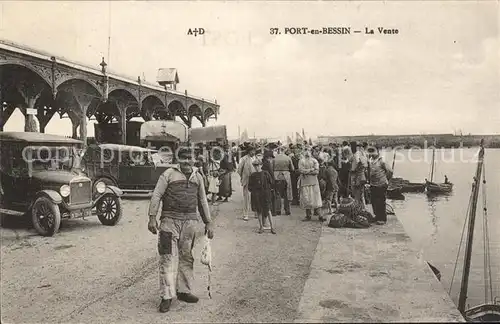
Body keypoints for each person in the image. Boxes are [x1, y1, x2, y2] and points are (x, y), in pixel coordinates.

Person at [147, 149, 214, 313]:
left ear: (193, 159)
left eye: (189, 158)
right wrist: (152, 217)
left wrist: (209, 222)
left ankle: (183, 291)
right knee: (167, 258)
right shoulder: (168, 174)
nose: (186, 162)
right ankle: (166, 296)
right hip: (169, 223)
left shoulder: (198, 177)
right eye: (183, 159)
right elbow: (156, 195)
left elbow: (203, 201)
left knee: (186, 257)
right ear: (178, 159)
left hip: (189, 223)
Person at [248, 159, 276, 234]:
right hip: (257, 194)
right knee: (259, 210)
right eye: (255, 166)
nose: (257, 167)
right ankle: (261, 227)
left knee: (268, 210)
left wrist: (268, 190)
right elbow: (249, 187)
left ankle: (272, 227)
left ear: (261, 165)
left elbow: (271, 182)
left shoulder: (266, 173)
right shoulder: (252, 175)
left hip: (266, 194)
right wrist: (254, 192)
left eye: (258, 165)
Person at [366, 146, 393, 225]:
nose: (372, 154)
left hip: (381, 184)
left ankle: (382, 218)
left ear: (378, 152)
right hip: (373, 184)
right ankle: (377, 216)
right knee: (374, 201)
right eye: (370, 152)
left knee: (381, 201)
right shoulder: (371, 160)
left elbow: (390, 171)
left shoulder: (382, 161)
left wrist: (386, 179)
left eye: (373, 152)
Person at [298, 147, 323, 221]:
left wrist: (306, 171)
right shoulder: (301, 161)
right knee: (306, 199)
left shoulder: (314, 160)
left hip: (313, 182)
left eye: (308, 150)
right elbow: (301, 170)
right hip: (305, 182)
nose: (307, 152)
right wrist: (311, 170)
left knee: (316, 199)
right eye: (306, 150)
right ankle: (308, 215)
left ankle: (320, 215)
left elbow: (317, 172)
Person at [273, 145, 294, 215]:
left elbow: (272, 167)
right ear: (284, 150)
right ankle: (287, 210)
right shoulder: (288, 158)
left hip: (276, 176)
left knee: (277, 193)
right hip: (286, 176)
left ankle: (278, 210)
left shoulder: (275, 158)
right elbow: (292, 168)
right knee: (286, 193)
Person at [237, 147, 256, 221]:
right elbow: (239, 170)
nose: (253, 152)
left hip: (255, 180)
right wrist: (243, 177)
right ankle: (246, 214)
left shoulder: (256, 158)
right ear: (249, 151)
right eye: (252, 151)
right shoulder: (244, 159)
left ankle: (256, 213)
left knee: (255, 196)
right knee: (246, 198)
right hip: (247, 179)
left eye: (254, 151)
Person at [350, 142, 368, 208]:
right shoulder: (362, 154)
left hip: (357, 176)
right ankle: (363, 208)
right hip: (361, 176)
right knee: (360, 194)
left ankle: (359, 208)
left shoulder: (358, 154)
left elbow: (359, 164)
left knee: (357, 194)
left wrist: (354, 171)